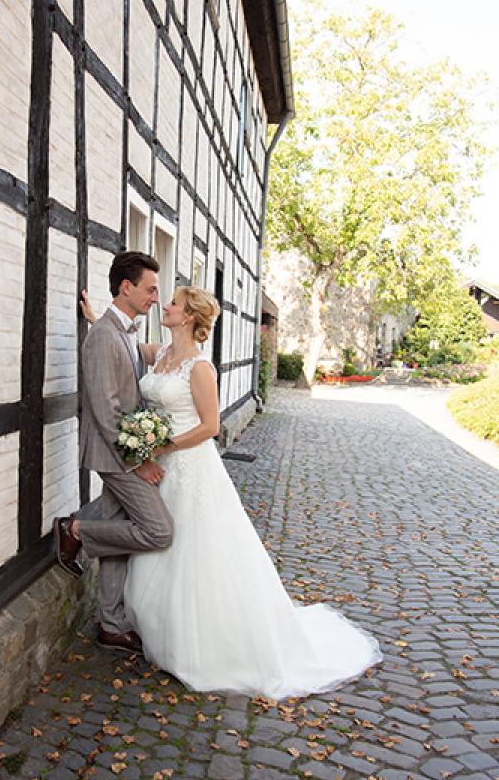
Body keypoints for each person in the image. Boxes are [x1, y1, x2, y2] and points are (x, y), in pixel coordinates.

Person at [67, 283, 382, 700]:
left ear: (189, 316)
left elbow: (210, 426)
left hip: (186, 465)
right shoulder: (160, 353)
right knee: (153, 537)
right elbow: (121, 346)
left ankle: (202, 642)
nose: (166, 305)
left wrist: (161, 446)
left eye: (174, 303)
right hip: (157, 466)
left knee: (193, 547)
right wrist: (97, 320)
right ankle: (136, 621)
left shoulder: (200, 367)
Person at [53, 251, 174, 654]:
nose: (156, 297)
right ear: (126, 287)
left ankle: (111, 625)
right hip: (115, 455)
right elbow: (106, 411)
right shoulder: (105, 335)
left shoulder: (121, 330)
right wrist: (138, 461)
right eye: (150, 289)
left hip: (122, 448)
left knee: (119, 534)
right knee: (158, 530)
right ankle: (75, 530)